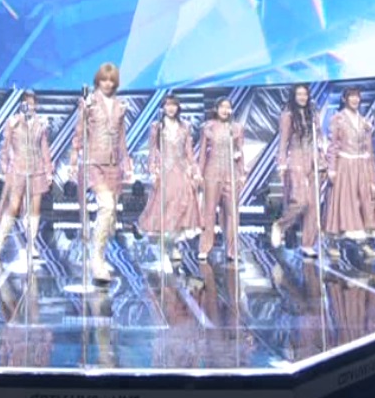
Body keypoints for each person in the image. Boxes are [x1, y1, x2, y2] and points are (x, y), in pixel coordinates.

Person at [70, 62, 132, 282]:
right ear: (98, 80)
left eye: (111, 80)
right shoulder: (89, 103)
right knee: (106, 206)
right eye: (104, 80)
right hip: (94, 163)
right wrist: (74, 157)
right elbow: (79, 131)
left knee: (111, 214)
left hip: (113, 165)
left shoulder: (120, 105)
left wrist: (126, 163)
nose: (107, 84)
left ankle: (101, 254)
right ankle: (96, 259)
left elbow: (122, 139)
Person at [137, 93, 201, 262]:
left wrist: (194, 170)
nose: (171, 108)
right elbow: (153, 150)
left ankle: (173, 245)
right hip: (164, 172)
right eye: (167, 105)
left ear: (178, 107)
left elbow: (189, 152)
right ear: (163, 107)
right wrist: (153, 170)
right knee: (165, 208)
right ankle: (166, 245)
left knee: (181, 207)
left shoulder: (185, 126)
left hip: (181, 171)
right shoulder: (156, 127)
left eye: (174, 105)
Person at [0, 91, 54, 258]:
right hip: (19, 168)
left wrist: (48, 170)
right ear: (21, 105)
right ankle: (0, 242)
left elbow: (44, 148)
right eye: (27, 104)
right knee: (13, 206)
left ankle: (31, 245)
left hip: (37, 169)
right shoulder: (13, 122)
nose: (30, 107)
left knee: (35, 208)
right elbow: (6, 146)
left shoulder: (41, 124)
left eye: (33, 104)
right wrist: (4, 165)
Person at [323, 87, 375, 258]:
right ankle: (332, 242)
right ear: (345, 99)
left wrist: (372, 174)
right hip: (344, 166)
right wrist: (331, 168)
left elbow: (369, 150)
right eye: (352, 96)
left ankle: (364, 243)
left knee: (363, 203)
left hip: (362, 166)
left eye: (357, 96)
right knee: (342, 204)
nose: (355, 99)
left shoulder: (364, 121)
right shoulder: (338, 119)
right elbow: (333, 145)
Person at [271, 84, 323, 255]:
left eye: (305, 94)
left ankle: (308, 244)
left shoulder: (313, 115)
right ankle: (280, 225)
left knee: (313, 205)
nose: (302, 97)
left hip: (313, 159)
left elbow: (319, 138)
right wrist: (282, 163)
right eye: (299, 94)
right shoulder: (288, 115)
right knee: (301, 201)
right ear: (293, 96)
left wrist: (322, 159)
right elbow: (283, 141)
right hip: (296, 159)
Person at [197, 97, 246, 261]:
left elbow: (240, 152)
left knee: (232, 213)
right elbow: (202, 153)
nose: (225, 110)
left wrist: (242, 173)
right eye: (222, 107)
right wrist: (199, 174)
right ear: (216, 109)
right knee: (209, 212)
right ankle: (205, 247)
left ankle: (232, 250)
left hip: (231, 173)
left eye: (228, 107)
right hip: (212, 173)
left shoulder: (236, 128)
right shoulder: (208, 127)